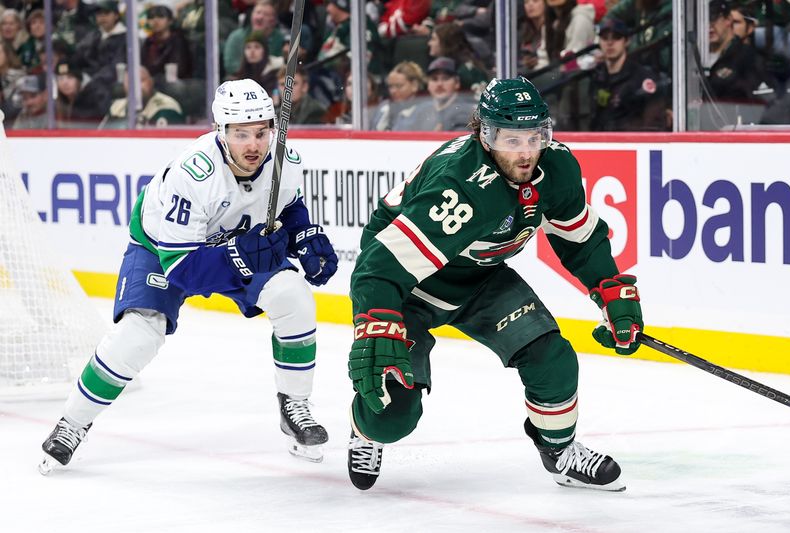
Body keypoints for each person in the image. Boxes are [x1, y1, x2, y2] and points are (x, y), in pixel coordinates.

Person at [345, 77, 643, 492]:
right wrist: (376, 318)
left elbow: (580, 239)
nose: (525, 152)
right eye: (510, 139)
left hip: (479, 279)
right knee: (391, 416)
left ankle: (559, 453)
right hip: (408, 290)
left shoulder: (554, 167)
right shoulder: (460, 187)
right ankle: (365, 433)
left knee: (552, 358)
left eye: (535, 136)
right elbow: (378, 267)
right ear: (485, 135)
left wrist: (610, 288)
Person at [39, 78, 339, 474]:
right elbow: (184, 271)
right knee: (139, 335)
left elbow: (289, 205)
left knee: (293, 297)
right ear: (221, 131)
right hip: (162, 251)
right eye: (241, 134)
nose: (254, 145)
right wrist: (242, 258)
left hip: (233, 242)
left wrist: (304, 234)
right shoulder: (194, 174)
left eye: (262, 132)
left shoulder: (287, 161)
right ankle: (71, 424)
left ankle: (294, 408)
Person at [589, 18, 670, 131]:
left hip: (633, 144)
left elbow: (654, 127)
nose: (610, 43)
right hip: (601, 143)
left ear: (626, 41)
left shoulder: (643, 78)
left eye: (616, 37)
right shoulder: (597, 77)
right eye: (605, 38)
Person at [100, 66, 185, 128]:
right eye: (129, 82)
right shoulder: (116, 107)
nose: (135, 86)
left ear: (151, 82)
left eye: (141, 80)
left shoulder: (167, 106)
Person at [416, 56, 473, 131]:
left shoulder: (466, 112)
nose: (439, 84)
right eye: (434, 79)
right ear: (428, 85)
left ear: (457, 83)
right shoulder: (419, 110)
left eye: (445, 78)